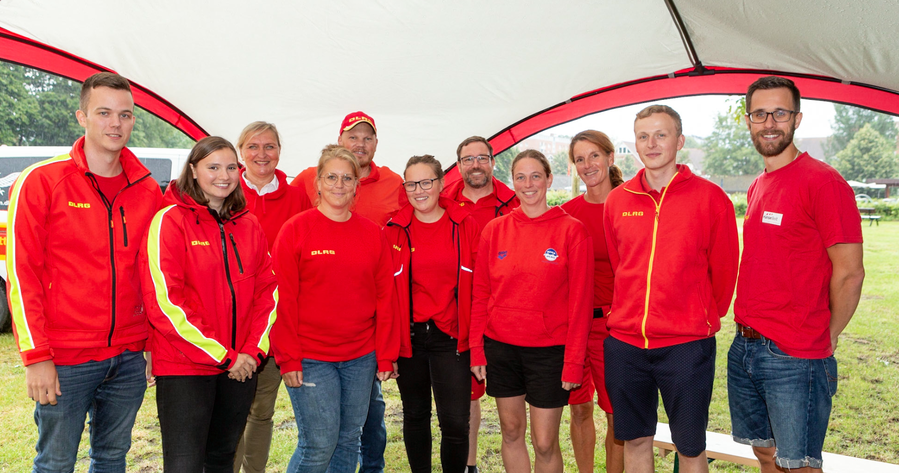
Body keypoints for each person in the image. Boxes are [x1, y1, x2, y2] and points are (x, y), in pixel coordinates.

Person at [6, 71, 163, 472]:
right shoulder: (42, 181)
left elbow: (150, 274)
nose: (115, 123)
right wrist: (37, 356)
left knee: (112, 459)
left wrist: (148, 344)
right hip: (65, 357)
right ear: (82, 116)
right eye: (104, 113)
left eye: (125, 115)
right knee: (56, 463)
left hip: (128, 357)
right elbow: (23, 276)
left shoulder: (146, 188)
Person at [728, 76, 865, 473]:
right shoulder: (758, 185)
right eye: (759, 113)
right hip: (746, 345)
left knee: (800, 465)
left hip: (796, 354)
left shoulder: (824, 182)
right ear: (749, 119)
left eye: (780, 112)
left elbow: (850, 273)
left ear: (797, 119)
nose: (769, 122)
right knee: (765, 454)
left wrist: (828, 334)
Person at [602, 105, 739, 473]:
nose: (652, 143)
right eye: (643, 136)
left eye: (661, 135)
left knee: (690, 445)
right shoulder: (618, 201)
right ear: (635, 143)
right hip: (626, 343)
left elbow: (725, 270)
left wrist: (700, 314)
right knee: (635, 439)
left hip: (685, 345)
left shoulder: (711, 198)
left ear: (679, 141)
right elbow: (621, 266)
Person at [141, 136, 278, 472]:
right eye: (213, 167)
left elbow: (269, 291)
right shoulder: (170, 221)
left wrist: (250, 352)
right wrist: (224, 355)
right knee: (184, 464)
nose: (224, 175)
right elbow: (166, 303)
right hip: (186, 367)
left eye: (231, 167)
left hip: (241, 366)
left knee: (221, 459)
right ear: (193, 170)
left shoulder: (249, 225)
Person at [271, 144, 399, 473]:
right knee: (318, 444)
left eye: (347, 178)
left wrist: (385, 355)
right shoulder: (295, 231)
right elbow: (282, 300)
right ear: (317, 182)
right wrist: (288, 356)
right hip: (311, 356)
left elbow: (386, 298)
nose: (339, 184)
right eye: (331, 177)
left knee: (348, 439)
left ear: (357, 184)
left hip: (360, 357)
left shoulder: (372, 234)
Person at [469, 149, 593, 473]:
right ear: (513, 183)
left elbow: (580, 305)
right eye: (520, 177)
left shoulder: (572, 231)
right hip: (502, 348)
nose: (528, 184)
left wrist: (573, 362)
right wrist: (476, 350)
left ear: (550, 180)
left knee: (544, 442)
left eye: (536, 176)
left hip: (550, 353)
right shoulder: (494, 231)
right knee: (511, 432)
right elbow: (480, 293)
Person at [385, 155, 480, 473]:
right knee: (415, 415)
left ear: (441, 184)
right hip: (411, 337)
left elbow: (480, 287)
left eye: (426, 182)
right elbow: (384, 294)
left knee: (454, 422)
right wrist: (388, 349)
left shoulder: (464, 225)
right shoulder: (394, 229)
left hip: (451, 336)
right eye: (411, 183)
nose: (419, 190)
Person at [233, 121, 311, 473]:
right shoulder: (226, 188)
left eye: (269, 146)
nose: (261, 154)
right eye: (253, 146)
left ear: (279, 151)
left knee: (262, 411)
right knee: (231, 414)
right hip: (232, 323)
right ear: (240, 152)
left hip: (278, 321)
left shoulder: (296, 196)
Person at [441, 135, 520, 473]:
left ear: (493, 161)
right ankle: (470, 464)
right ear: (458, 166)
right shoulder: (444, 202)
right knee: (467, 395)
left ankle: (516, 459)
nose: (475, 165)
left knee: (511, 403)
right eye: (468, 159)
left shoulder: (515, 201)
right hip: (459, 311)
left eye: (482, 158)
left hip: (505, 311)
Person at [561, 130, 625, 473]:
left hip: (614, 329)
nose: (588, 165)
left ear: (610, 158)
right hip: (574, 328)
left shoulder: (631, 205)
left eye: (594, 156)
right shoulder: (567, 214)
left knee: (617, 416)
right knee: (579, 408)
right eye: (580, 159)